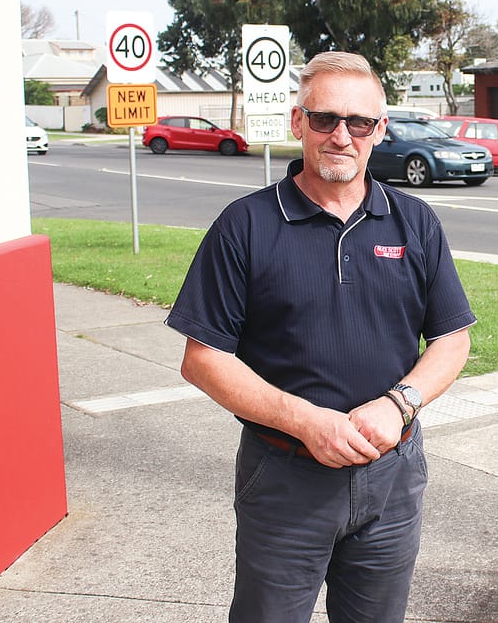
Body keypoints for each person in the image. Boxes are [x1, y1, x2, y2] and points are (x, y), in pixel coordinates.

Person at [165, 51, 475, 623]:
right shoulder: (246, 225)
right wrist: (308, 422)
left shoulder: (416, 222)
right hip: (286, 477)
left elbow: (453, 339)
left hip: (392, 475)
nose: (342, 136)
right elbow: (203, 358)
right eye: (325, 118)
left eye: (359, 122)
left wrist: (398, 404)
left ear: (380, 131)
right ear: (297, 121)